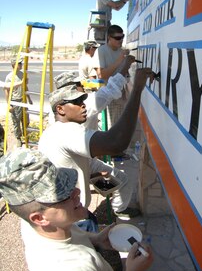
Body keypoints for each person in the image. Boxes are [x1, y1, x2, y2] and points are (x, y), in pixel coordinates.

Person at [0, 148, 153, 271]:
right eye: (62, 195)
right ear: (39, 218)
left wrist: (96, 239)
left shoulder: (38, 226)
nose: (77, 191)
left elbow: (72, 234)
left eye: (66, 182)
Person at [39, 67, 154, 222]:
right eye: (76, 101)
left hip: (76, 195)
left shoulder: (60, 126)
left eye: (82, 99)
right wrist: (137, 89)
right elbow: (116, 142)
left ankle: (115, 206)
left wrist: (93, 174)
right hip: (72, 218)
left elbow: (72, 161)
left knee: (119, 179)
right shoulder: (65, 130)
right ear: (60, 109)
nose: (83, 105)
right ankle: (114, 207)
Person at [92, 25, 129, 131]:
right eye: (117, 38)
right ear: (109, 37)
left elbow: (121, 74)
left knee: (120, 126)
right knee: (110, 128)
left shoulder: (120, 51)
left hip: (120, 94)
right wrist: (120, 59)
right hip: (108, 96)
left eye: (122, 37)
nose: (121, 40)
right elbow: (102, 75)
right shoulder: (101, 51)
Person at [4, 58, 32, 147]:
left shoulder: (22, 74)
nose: (21, 65)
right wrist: (9, 105)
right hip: (15, 102)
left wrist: (29, 98)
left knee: (26, 120)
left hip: (23, 100)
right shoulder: (9, 77)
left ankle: (26, 137)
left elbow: (25, 87)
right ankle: (18, 139)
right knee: (16, 121)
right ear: (14, 65)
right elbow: (6, 91)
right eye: (19, 63)